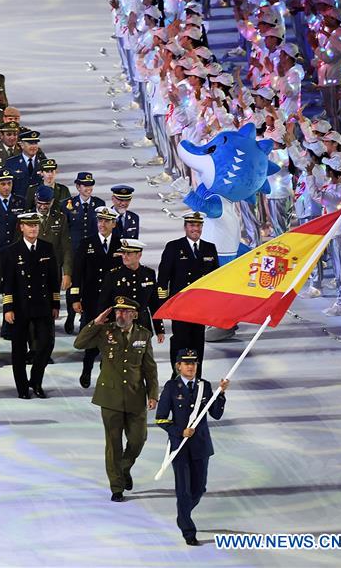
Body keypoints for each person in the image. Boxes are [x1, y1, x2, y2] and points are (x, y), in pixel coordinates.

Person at [74, 297, 158, 502]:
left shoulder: (144, 334)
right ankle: (117, 486)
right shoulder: (106, 331)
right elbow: (79, 344)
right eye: (118, 311)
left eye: (125, 311)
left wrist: (153, 394)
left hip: (135, 395)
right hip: (110, 397)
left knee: (138, 439)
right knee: (113, 444)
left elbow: (149, 368)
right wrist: (95, 323)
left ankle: (124, 467)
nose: (120, 315)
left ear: (134, 315)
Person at [156, 349, 229, 546]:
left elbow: (216, 414)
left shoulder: (205, 386)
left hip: (201, 446)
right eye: (186, 363)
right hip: (180, 447)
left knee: (199, 489)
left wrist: (221, 393)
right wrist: (180, 432)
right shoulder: (172, 387)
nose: (190, 366)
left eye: (193, 363)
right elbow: (161, 418)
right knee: (184, 491)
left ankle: (183, 515)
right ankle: (188, 531)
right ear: (178, 366)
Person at [1, 212, 60, 399]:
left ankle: (36, 380)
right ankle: (22, 388)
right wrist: (8, 308)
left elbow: (53, 278)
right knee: (18, 349)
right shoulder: (12, 251)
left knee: (47, 344)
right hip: (20, 306)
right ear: (22, 227)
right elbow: (8, 283)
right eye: (29, 225)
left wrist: (56, 303)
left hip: (42, 305)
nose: (33, 228)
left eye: (35, 225)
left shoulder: (47, 248)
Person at [157, 213, 219, 379]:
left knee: (198, 342)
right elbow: (163, 277)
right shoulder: (173, 247)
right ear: (185, 227)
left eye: (198, 225)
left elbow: (215, 279)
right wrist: (163, 304)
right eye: (192, 225)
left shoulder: (209, 248)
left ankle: (196, 377)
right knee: (181, 341)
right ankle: (177, 376)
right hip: (180, 306)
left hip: (200, 307)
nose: (195, 229)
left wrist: (213, 306)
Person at [70, 206, 122, 388]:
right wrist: (75, 298)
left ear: (114, 224)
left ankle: (105, 374)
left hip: (112, 302)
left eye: (107, 221)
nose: (102, 224)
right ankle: (87, 369)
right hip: (91, 300)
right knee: (92, 336)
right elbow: (77, 272)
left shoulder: (121, 245)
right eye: (100, 220)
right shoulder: (87, 243)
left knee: (111, 339)